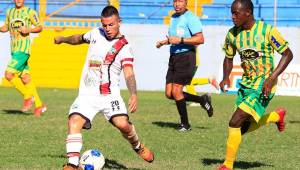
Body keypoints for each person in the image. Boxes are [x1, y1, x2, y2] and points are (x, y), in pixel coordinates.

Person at [54, 6, 154, 170]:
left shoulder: (124, 47)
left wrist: (133, 94)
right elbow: (78, 38)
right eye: (105, 25)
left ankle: (138, 146)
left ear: (119, 22)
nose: (107, 29)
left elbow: (129, 73)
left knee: (123, 124)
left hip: (110, 96)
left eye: (111, 25)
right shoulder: (95, 33)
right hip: (87, 94)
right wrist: (63, 39)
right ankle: (72, 165)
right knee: (74, 121)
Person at [218, 0, 293, 170]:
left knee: (234, 121)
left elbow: (288, 54)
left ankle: (227, 166)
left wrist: (271, 78)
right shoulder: (232, 34)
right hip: (246, 84)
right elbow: (228, 57)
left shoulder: (267, 31)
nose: (232, 16)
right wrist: (225, 77)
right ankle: (275, 117)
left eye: (236, 13)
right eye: (232, 12)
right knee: (242, 128)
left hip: (264, 85)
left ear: (248, 13)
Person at [156, 0, 213, 132]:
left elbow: (200, 39)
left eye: (180, 1)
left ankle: (185, 124)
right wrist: (164, 42)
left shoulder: (191, 18)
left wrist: (181, 40)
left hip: (186, 57)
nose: (177, 4)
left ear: (186, 2)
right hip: (174, 57)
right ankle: (202, 100)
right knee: (169, 93)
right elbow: (173, 38)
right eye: (175, 1)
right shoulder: (173, 17)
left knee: (176, 91)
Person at [0, 0, 46, 117]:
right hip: (14, 49)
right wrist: (2, 28)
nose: (18, 0)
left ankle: (27, 96)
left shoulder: (30, 12)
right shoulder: (10, 12)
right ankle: (39, 105)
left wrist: (28, 30)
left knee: (8, 74)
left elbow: (40, 27)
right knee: (25, 78)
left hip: (23, 50)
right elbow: (6, 27)